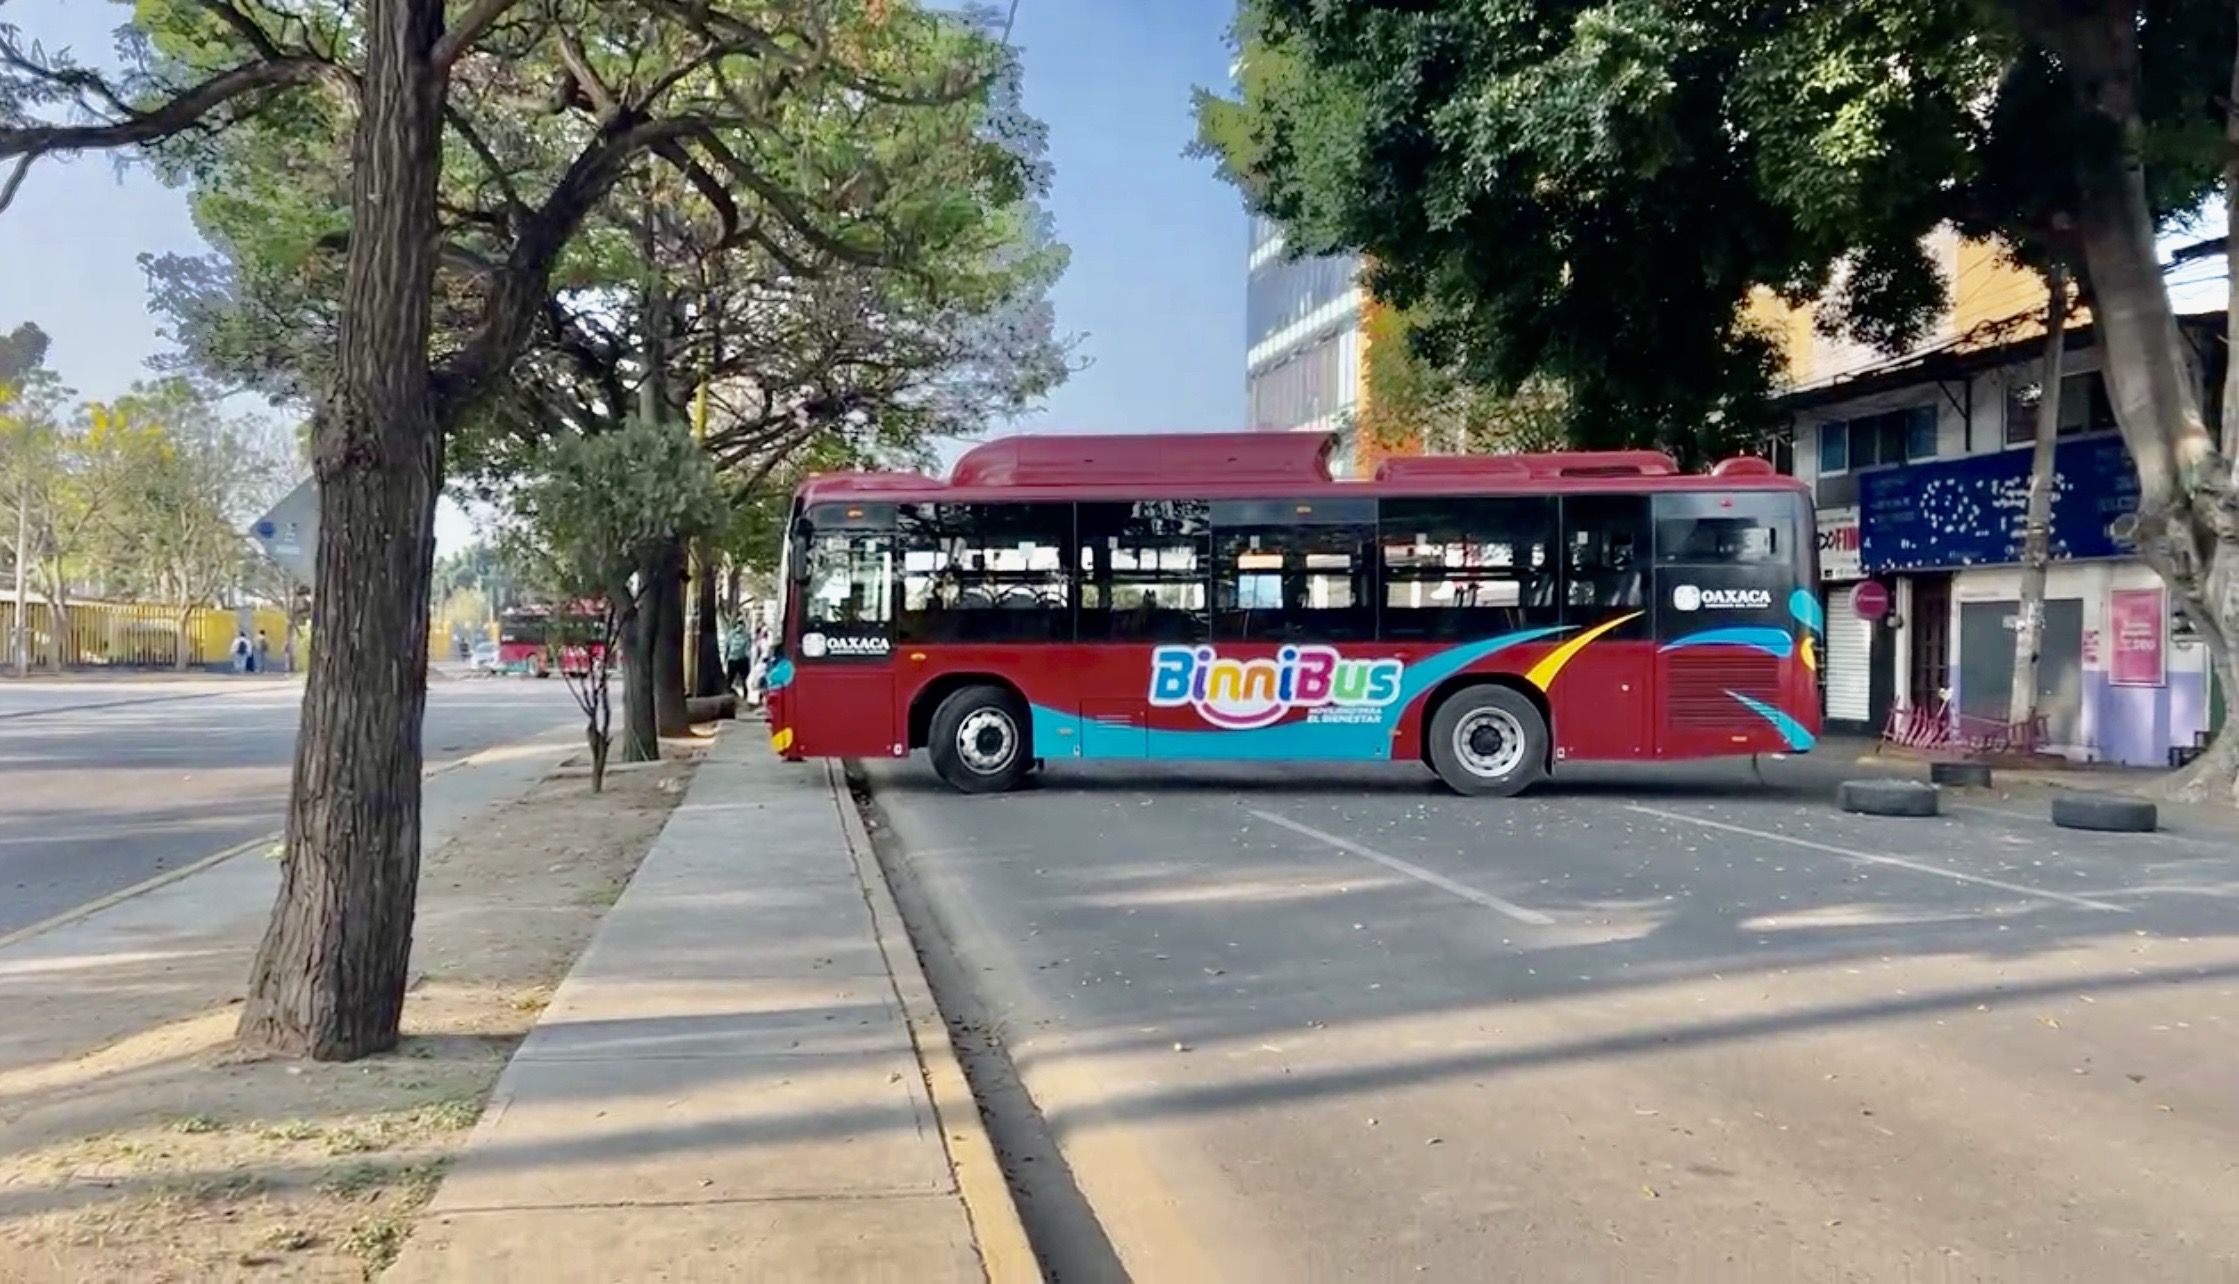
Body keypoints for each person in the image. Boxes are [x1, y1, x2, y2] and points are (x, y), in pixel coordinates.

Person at [722, 614, 751, 696]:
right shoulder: (746, 634)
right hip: (742, 659)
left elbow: (727, 647)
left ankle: (726, 693)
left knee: (729, 679)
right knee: (744, 679)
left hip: (732, 659)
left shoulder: (731, 634)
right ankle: (745, 694)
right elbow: (748, 648)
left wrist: (725, 658)